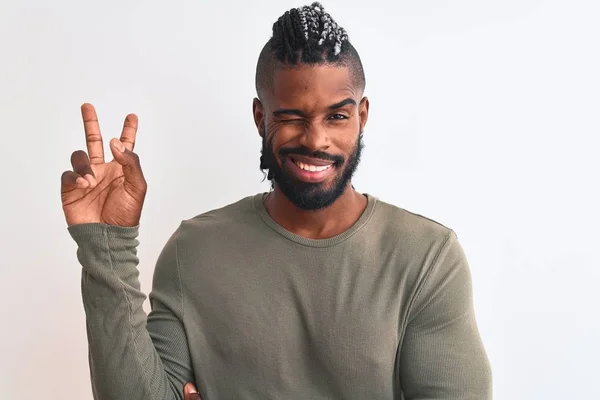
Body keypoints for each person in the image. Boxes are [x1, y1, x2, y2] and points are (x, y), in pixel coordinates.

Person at [61, 2, 492, 399]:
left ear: (361, 116)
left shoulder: (426, 258)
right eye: (291, 117)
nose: (316, 139)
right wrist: (107, 245)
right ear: (260, 117)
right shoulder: (192, 252)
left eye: (337, 116)